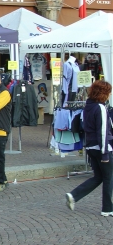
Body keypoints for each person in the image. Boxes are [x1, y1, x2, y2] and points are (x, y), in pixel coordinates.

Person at [66, 80, 113, 216]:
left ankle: (74, 195)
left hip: (91, 146)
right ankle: (107, 208)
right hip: (101, 148)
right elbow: (103, 131)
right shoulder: (100, 108)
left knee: (98, 177)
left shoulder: (88, 106)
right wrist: (105, 153)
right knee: (109, 178)